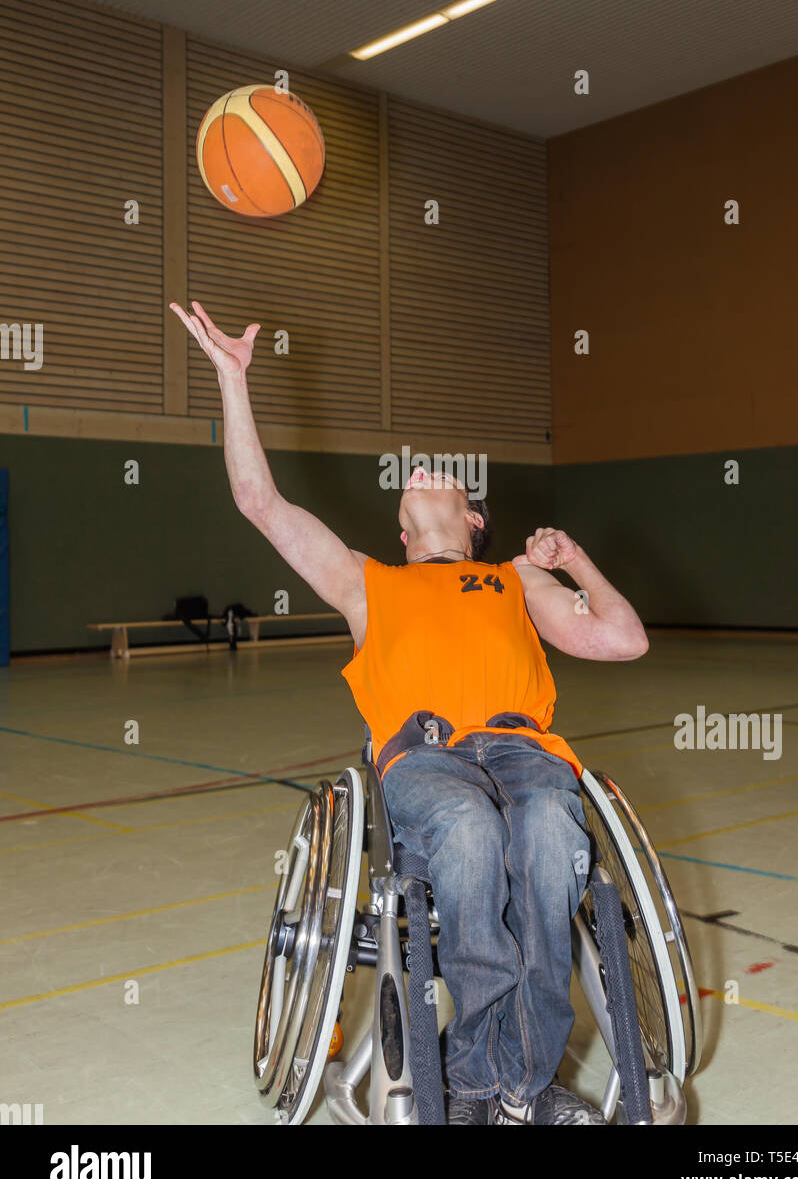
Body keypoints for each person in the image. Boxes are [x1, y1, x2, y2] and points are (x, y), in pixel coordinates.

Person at [170, 299, 650, 1126]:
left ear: (474, 519)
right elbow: (260, 502)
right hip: (425, 760)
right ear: (401, 529)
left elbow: (623, 639)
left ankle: (520, 1086)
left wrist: (573, 561)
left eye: (446, 481)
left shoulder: (514, 580)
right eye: (412, 485)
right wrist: (232, 380)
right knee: (467, 835)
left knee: (546, 839)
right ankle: (478, 1081)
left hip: (526, 753)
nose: (424, 474)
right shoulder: (369, 583)